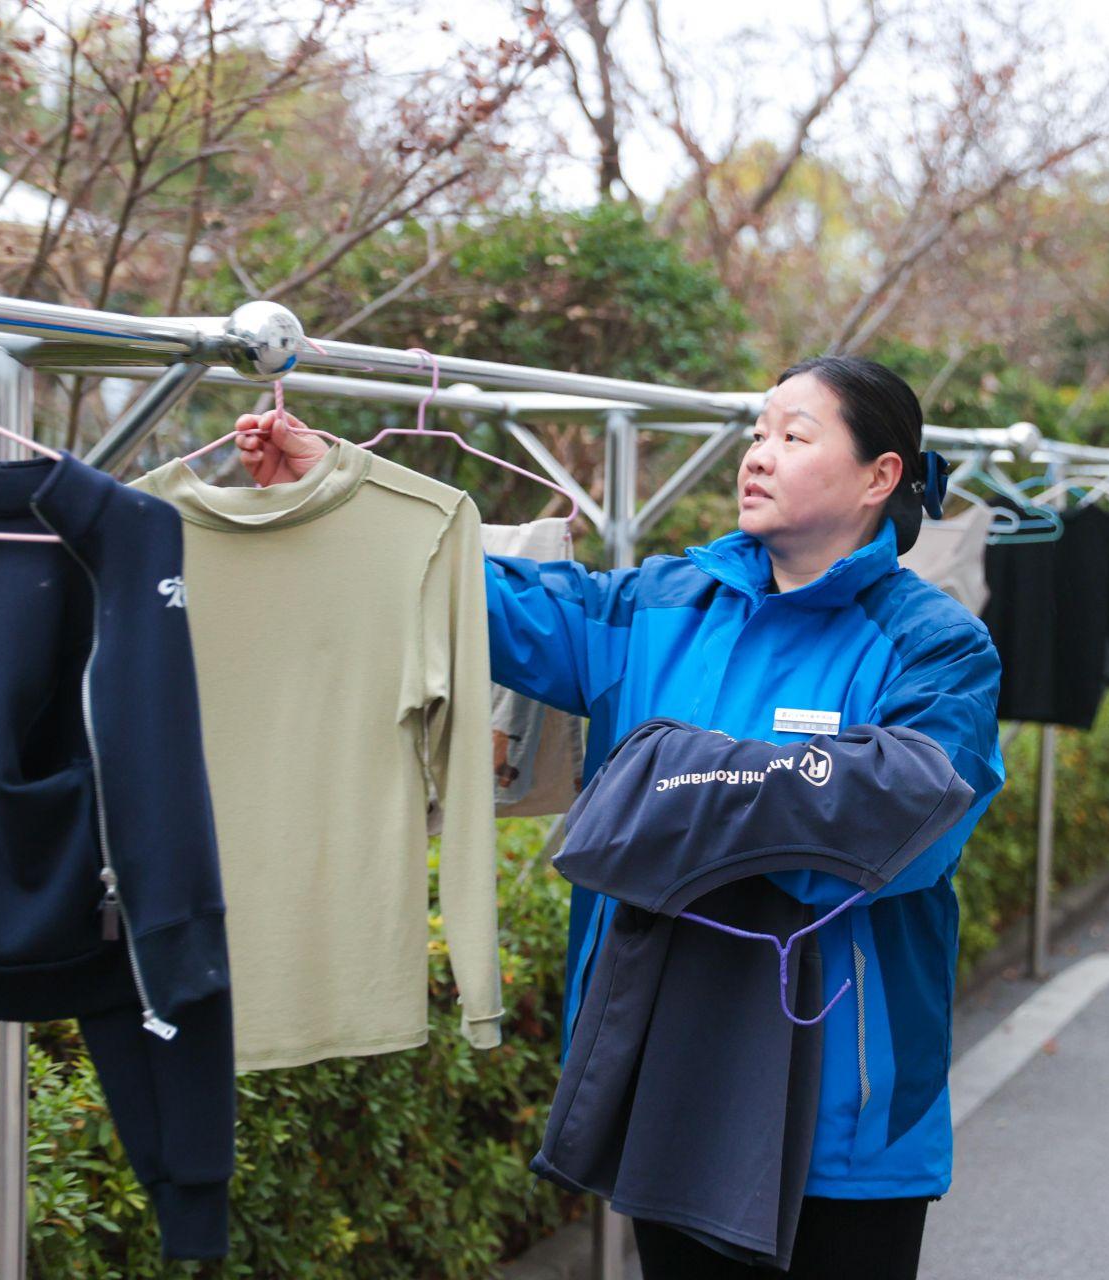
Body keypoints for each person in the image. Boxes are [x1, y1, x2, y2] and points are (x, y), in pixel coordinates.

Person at [232, 355, 1005, 1280]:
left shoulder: (935, 644)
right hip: (666, 1083)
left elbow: (907, 818)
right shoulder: (658, 606)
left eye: (795, 436)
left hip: (846, 1117)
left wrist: (666, 776)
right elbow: (477, 593)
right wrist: (343, 494)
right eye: (758, 432)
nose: (758, 454)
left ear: (881, 476)